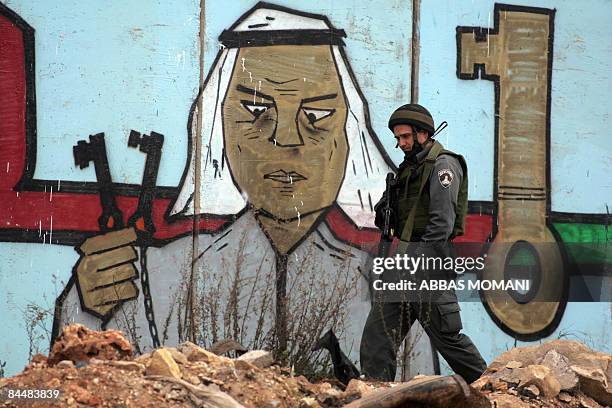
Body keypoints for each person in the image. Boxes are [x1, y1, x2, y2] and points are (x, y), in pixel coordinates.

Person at [55, 2, 398, 366]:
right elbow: (82, 385)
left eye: (316, 115)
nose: (286, 138)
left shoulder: (383, 289)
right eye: (256, 111)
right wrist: (88, 309)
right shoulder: (152, 278)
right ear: (221, 128)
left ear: (349, 133)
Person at [359, 104, 487, 383]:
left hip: (428, 264)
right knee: (378, 334)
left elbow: (441, 223)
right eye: (397, 139)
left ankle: (493, 390)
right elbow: (392, 217)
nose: (401, 143)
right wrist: (387, 208)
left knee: (448, 339)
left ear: (423, 133)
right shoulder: (409, 169)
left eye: (405, 137)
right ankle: (376, 393)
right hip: (404, 263)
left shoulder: (443, 166)